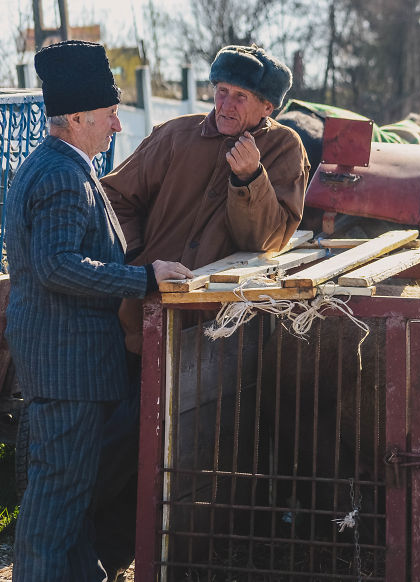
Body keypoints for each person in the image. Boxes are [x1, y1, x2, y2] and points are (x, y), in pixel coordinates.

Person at [96, 44, 309, 580]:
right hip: (139, 319)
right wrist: (142, 258)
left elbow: (267, 239)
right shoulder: (175, 135)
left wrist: (249, 180)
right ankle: (91, 551)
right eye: (221, 91)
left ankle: (108, 553)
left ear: (267, 108)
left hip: (212, 331)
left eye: (241, 96)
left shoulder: (283, 150)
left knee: (166, 449)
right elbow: (112, 199)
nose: (226, 104)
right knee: (125, 439)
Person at [4, 40, 193, 581]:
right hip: (69, 370)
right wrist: (143, 279)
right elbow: (56, 265)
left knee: (68, 504)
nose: (117, 124)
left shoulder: (57, 165)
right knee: (53, 509)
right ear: (79, 116)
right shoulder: (63, 174)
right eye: (111, 113)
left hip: (68, 366)